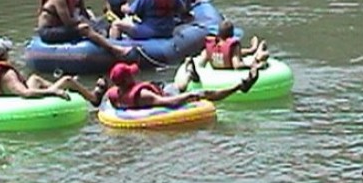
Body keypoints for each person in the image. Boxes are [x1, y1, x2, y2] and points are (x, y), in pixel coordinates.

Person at [37, 0, 138, 61]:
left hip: (58, 28)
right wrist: (81, 20)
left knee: (98, 24)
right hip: (48, 32)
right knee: (84, 28)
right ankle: (114, 50)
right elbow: (68, 22)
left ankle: (108, 40)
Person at [0, 37, 107, 106]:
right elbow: (25, 93)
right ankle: (93, 98)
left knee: (34, 78)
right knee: (67, 80)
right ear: (3, 55)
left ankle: (69, 88)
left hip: (6, 95)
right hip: (22, 102)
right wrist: (53, 92)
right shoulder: (7, 74)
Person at [104, 59, 260, 109]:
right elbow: (168, 102)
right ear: (126, 80)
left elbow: (110, 105)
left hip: (161, 88)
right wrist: (190, 96)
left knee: (176, 84)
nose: (134, 75)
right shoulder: (143, 95)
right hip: (167, 95)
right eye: (130, 74)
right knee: (200, 93)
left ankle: (189, 73)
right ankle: (240, 87)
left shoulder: (114, 94)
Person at [193, 19, 269, 70]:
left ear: (218, 33)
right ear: (232, 34)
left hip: (216, 72)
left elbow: (201, 64)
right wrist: (254, 66)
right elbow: (237, 65)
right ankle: (258, 49)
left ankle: (254, 49)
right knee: (263, 49)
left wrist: (252, 49)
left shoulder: (210, 46)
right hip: (232, 75)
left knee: (254, 50)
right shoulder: (234, 46)